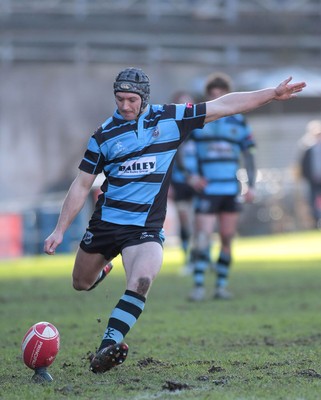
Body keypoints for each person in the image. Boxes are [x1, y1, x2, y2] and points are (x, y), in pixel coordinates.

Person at [43, 67, 306, 373]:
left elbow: (225, 105)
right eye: (119, 99)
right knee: (81, 282)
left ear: (144, 98)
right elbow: (81, 185)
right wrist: (60, 230)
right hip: (106, 225)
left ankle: (106, 348)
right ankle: (103, 265)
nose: (125, 105)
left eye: (131, 99)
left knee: (141, 282)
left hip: (144, 230)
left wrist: (272, 95)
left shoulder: (171, 119)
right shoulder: (103, 135)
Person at [186, 72, 257, 302]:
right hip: (207, 188)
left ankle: (221, 286)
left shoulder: (240, 122)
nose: (217, 100)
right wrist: (192, 175)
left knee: (227, 236)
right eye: (212, 96)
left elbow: (249, 155)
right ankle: (198, 286)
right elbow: (185, 151)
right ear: (207, 97)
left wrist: (251, 185)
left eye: (221, 95)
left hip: (230, 188)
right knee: (204, 237)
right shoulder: (198, 120)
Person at [169, 91, 198, 274]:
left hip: (199, 182)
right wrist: (169, 184)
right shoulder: (172, 131)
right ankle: (187, 258)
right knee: (185, 222)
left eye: (190, 105)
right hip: (180, 183)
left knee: (200, 221)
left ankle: (202, 257)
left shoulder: (200, 130)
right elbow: (169, 161)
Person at [299, 120, 321, 229]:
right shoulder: (308, 149)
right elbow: (303, 166)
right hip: (313, 180)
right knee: (313, 201)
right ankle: (317, 221)